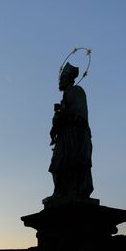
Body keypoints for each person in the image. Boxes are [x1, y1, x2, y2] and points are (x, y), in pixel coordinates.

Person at [49, 62, 93, 198]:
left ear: (70, 79)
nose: (60, 80)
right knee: (56, 166)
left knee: (73, 163)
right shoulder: (63, 99)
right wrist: (56, 117)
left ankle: (73, 191)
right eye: (60, 78)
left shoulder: (77, 91)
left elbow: (79, 113)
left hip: (75, 134)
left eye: (63, 77)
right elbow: (59, 119)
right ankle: (60, 191)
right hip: (64, 136)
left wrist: (63, 114)